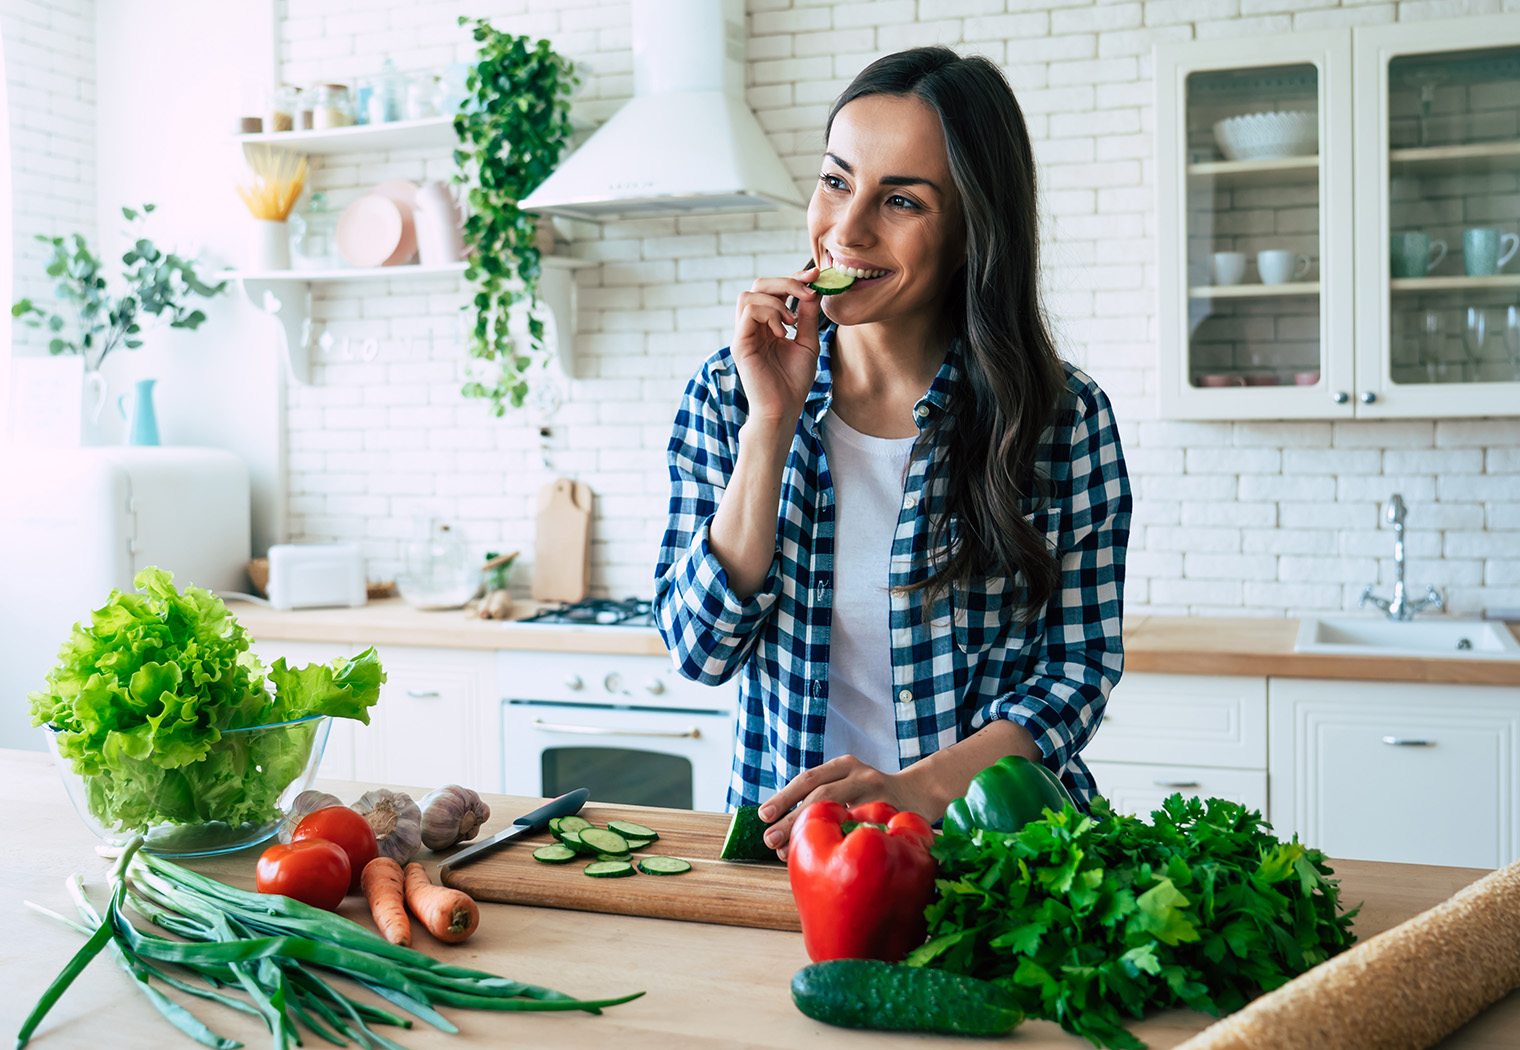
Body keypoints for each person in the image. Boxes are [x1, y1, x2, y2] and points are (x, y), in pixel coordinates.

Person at [653, 46, 1131, 859]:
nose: (846, 229)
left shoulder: (1060, 419)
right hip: (793, 855)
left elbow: (1074, 674)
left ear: (972, 231)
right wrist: (771, 424)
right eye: (837, 180)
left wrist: (917, 793)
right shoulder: (731, 391)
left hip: (996, 858)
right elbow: (699, 650)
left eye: (901, 200)